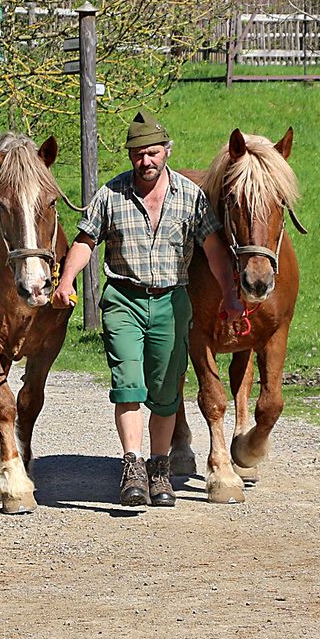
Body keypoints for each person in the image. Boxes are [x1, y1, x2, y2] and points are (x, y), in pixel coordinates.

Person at [51, 109, 243, 507]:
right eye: (139, 154)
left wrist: (230, 294)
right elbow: (86, 242)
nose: (146, 161)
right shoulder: (111, 194)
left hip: (173, 301)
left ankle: (159, 469)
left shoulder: (190, 198)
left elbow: (214, 251)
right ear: (130, 156)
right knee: (128, 384)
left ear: (167, 152)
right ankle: (132, 466)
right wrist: (65, 279)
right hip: (124, 298)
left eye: (153, 152)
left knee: (166, 392)